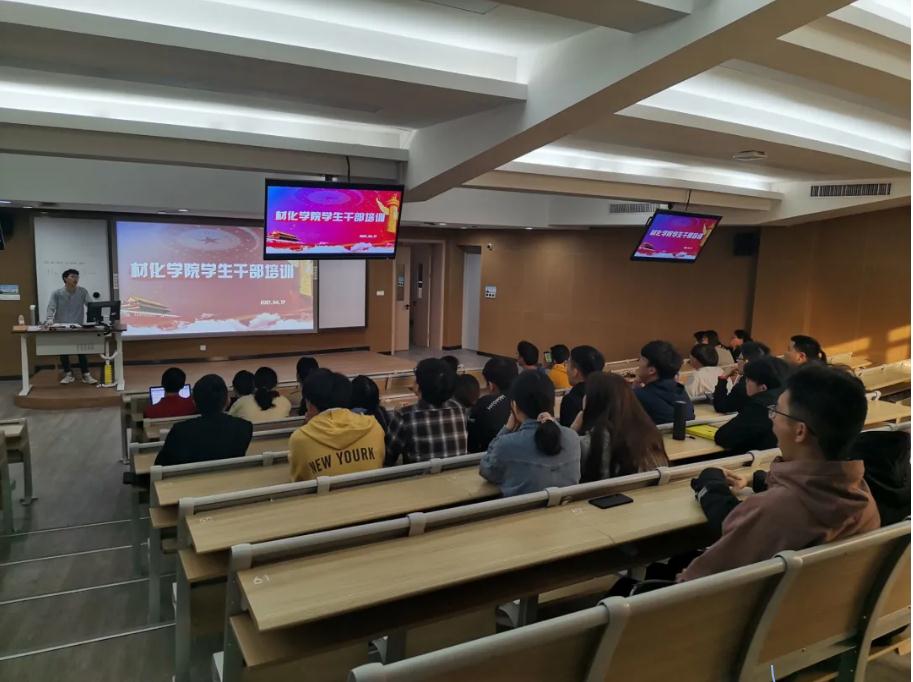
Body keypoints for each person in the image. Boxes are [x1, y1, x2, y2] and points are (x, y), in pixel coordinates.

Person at [680, 364, 879, 581]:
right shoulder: (865, 499)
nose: (772, 418)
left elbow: (690, 584)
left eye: (777, 411)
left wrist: (711, 483)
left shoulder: (773, 511)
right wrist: (759, 480)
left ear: (800, 431)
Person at [479, 371, 580, 497]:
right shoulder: (572, 438)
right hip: (567, 508)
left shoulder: (506, 444)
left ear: (514, 406)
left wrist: (507, 429)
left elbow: (487, 470)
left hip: (520, 510)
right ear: (552, 403)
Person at [571, 372, 668, 482]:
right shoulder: (649, 433)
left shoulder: (589, 443)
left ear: (594, 400)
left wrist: (573, 429)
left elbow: (564, 460)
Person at [289, 369, 385, 481]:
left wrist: (308, 425)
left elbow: (299, 481)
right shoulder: (374, 427)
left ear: (309, 403)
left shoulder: (300, 439)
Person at [154, 375, 253, 466]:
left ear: (195, 403)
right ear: (228, 400)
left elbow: (160, 465)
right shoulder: (245, 427)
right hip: (232, 479)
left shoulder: (180, 431)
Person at [385, 358, 467, 464]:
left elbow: (389, 456)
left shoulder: (405, 416)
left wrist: (396, 417)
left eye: (416, 380)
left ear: (420, 386)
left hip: (419, 474)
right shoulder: (459, 409)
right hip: (457, 472)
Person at [713, 356, 790, 454]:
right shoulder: (790, 401)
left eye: (748, 380)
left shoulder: (758, 407)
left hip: (754, 460)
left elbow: (722, 437)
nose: (745, 382)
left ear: (762, 388)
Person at [45, 268, 97, 384]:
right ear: (65, 278)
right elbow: (51, 307)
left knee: (81, 350)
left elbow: (91, 305)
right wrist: (49, 319)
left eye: (77, 277)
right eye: (72, 276)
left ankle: (86, 375)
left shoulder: (82, 291)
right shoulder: (57, 293)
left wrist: (95, 316)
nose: (76, 279)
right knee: (63, 351)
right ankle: (68, 374)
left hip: (77, 326)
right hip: (62, 326)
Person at [633, 340, 694, 424]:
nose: (638, 364)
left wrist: (632, 393)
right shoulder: (680, 391)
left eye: (641, 359)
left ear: (651, 370)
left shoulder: (639, 396)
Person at [467, 356, 518, 453]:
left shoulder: (484, 403)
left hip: (489, 456)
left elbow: (472, 444)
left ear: (491, 385)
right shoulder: (528, 399)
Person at [713, 341, 770, 414]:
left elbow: (721, 406)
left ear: (746, 362)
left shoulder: (745, 385)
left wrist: (723, 377)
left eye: (739, 358)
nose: (737, 361)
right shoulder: (773, 378)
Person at [559, 345, 605, 427]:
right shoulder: (608, 392)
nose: (566, 369)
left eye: (568, 363)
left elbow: (568, 433)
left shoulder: (570, 400)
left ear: (575, 371)